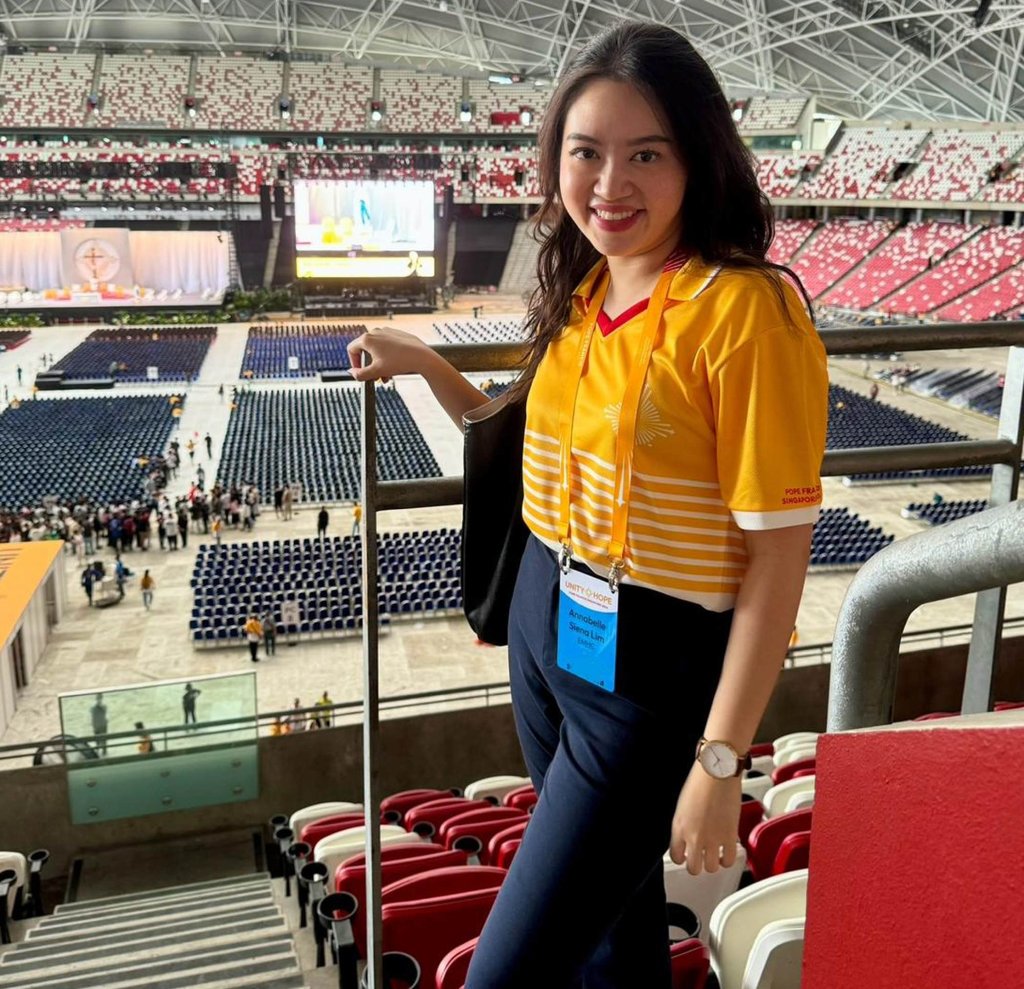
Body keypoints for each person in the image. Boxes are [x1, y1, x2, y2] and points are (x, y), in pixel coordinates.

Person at [346, 23, 828, 989]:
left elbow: (777, 560)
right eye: (587, 152)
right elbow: (516, 429)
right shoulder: (587, 290)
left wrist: (722, 758)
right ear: (555, 161)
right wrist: (427, 363)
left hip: (648, 667)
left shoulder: (745, 313)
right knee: (613, 937)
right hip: (546, 620)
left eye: (647, 153)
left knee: (508, 972)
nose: (612, 183)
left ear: (699, 158)